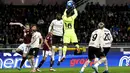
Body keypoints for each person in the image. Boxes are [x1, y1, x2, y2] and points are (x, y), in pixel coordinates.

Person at [59, 0, 80, 64]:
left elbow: (64, 14)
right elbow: (76, 14)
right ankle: (77, 48)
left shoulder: (64, 18)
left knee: (65, 44)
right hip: (72, 32)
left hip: (66, 32)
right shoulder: (72, 18)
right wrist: (74, 8)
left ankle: (64, 55)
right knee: (75, 43)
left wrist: (66, 8)